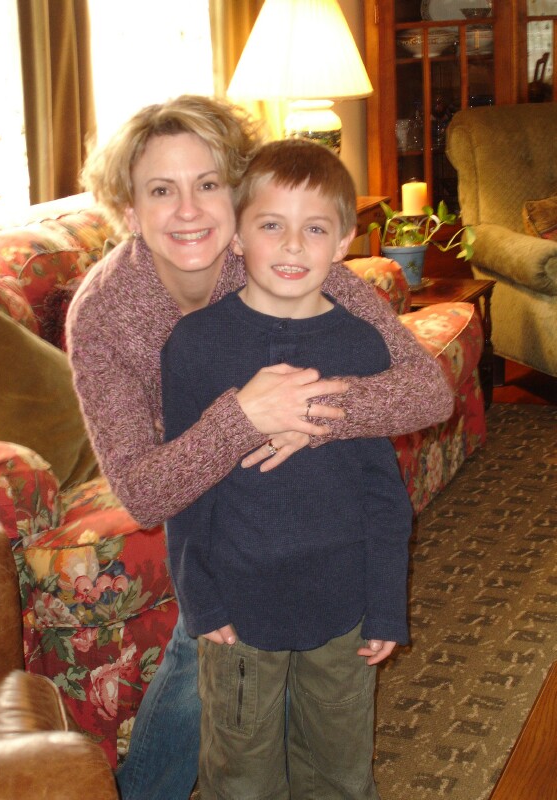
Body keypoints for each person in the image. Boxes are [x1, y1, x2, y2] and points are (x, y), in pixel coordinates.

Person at [66, 95, 453, 800]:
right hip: (201, 510)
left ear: (238, 194)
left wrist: (311, 410)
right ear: (129, 210)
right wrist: (243, 418)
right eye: (161, 190)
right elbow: (145, 492)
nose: (189, 210)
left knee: (294, 703)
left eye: (208, 183)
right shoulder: (105, 312)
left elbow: (427, 392)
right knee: (209, 658)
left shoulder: (281, 252)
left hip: (299, 526)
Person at [161, 138, 413, 799]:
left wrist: (386, 603)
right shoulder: (194, 346)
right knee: (241, 775)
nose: (293, 245)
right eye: (272, 225)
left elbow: (383, 492)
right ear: (237, 233)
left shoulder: (362, 344)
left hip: (344, 601)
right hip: (238, 609)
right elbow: (184, 484)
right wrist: (199, 598)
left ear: (345, 240)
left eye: (315, 229)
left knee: (339, 770)